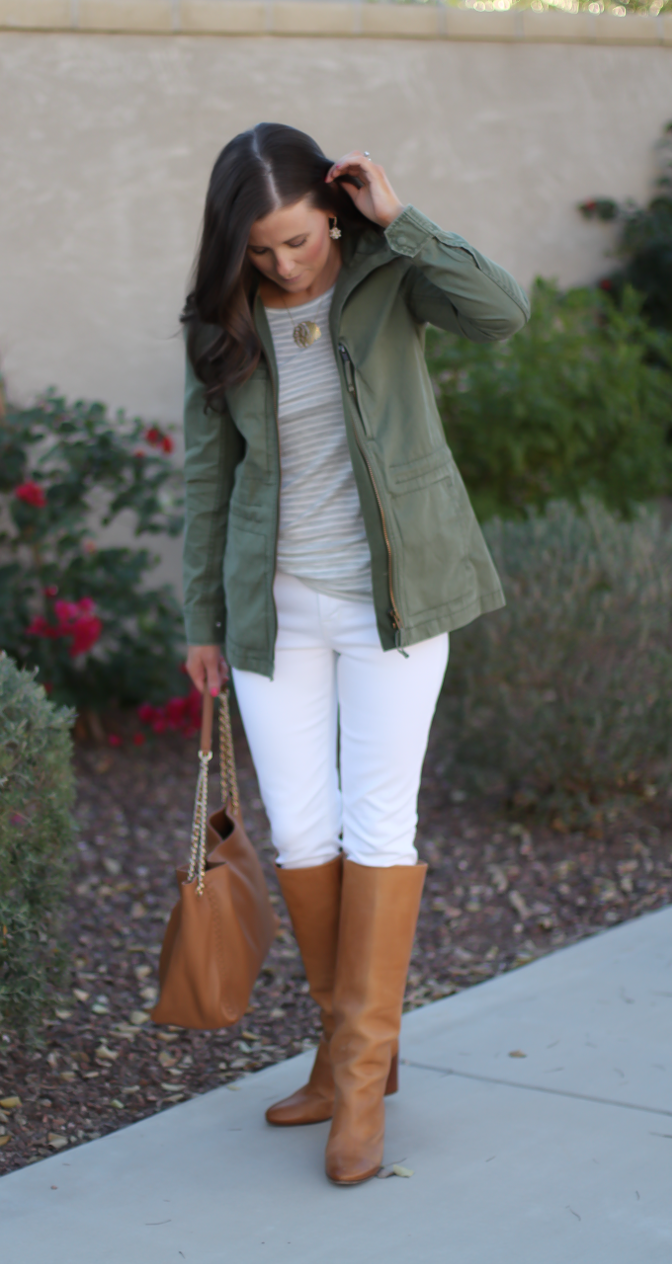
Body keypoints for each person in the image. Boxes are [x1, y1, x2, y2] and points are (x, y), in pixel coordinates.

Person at [181, 123, 529, 1185]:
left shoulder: (388, 273)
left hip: (395, 597)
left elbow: (501, 315)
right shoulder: (221, 321)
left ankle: (359, 1076)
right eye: (261, 251)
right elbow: (207, 477)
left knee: (379, 821)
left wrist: (403, 218)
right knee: (300, 834)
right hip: (271, 611)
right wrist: (200, 617)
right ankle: (344, 1057)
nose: (284, 264)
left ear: (331, 212)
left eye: (297, 241)